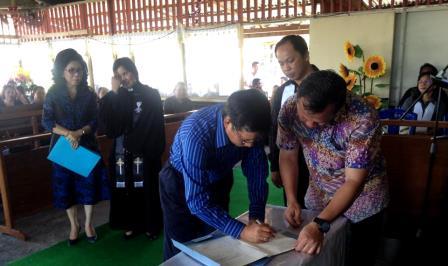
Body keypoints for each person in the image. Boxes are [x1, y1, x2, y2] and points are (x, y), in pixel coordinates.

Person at [277, 70, 389, 266]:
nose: (310, 125)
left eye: (319, 121)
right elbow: (287, 154)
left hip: (362, 203)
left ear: (338, 109)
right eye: (305, 118)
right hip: (318, 196)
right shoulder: (289, 107)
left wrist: (320, 224)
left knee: (356, 258)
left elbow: (354, 181)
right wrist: (292, 200)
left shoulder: (363, 119)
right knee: (318, 257)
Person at [159, 89, 275, 261]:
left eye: (255, 141)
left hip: (219, 176)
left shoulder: (249, 126)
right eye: (244, 141)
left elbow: (256, 174)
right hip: (180, 181)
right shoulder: (195, 133)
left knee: (216, 238)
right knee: (181, 245)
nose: (250, 146)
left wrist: (255, 218)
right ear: (228, 122)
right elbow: (197, 202)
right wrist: (242, 231)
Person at [42, 48, 110, 246]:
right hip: (63, 148)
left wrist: (79, 133)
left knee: (89, 187)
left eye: (79, 70)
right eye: (71, 70)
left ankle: (88, 224)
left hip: (86, 144)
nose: (76, 74)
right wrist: (68, 134)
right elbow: (47, 121)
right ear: (61, 72)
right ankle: (74, 225)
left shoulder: (88, 94)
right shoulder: (53, 94)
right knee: (66, 190)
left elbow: (95, 120)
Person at [99, 57, 165, 240]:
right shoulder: (118, 96)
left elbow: (156, 124)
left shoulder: (151, 94)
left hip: (145, 150)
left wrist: (147, 147)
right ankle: (130, 224)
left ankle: (150, 225)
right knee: (125, 189)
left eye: (125, 73)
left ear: (134, 71)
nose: (124, 78)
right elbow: (109, 127)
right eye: (119, 76)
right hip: (122, 152)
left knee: (147, 189)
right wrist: (113, 93)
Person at [269, 35, 317, 208]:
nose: (286, 68)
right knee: (294, 207)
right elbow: (274, 128)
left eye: (290, 60)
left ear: (305, 55)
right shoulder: (282, 92)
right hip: (290, 161)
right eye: (281, 63)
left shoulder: (326, 85)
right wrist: (274, 166)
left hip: (325, 164)